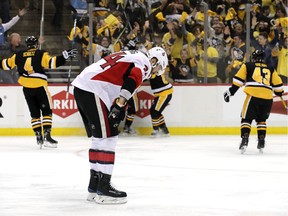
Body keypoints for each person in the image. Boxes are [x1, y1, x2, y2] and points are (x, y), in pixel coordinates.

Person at [72, 47, 168, 204]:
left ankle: (95, 185)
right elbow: (133, 79)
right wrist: (120, 104)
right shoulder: (145, 62)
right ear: (155, 60)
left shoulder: (133, 55)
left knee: (100, 138)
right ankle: (104, 188)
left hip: (85, 87)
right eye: (157, 68)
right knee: (109, 138)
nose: (154, 73)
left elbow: (117, 78)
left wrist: (120, 105)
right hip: (93, 89)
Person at [0, 35, 78, 148]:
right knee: (46, 111)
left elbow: (5, 64)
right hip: (40, 87)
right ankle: (47, 135)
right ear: (36, 44)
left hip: (27, 88)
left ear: (27, 45)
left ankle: (38, 135)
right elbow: (52, 63)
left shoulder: (18, 55)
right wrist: (65, 55)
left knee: (34, 113)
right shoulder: (41, 54)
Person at [223, 49, 284, 154]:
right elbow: (279, 88)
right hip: (267, 98)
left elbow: (238, 81)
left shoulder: (248, 65)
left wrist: (231, 92)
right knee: (261, 120)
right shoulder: (271, 68)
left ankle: (245, 139)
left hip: (253, 96)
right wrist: (279, 93)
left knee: (246, 118)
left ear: (254, 58)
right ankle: (261, 140)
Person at [149, 54, 173, 137]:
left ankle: (156, 130)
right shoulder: (151, 66)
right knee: (156, 111)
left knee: (154, 110)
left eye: (153, 60)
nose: (151, 61)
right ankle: (164, 130)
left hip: (164, 92)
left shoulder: (159, 66)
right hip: (160, 93)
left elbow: (154, 70)